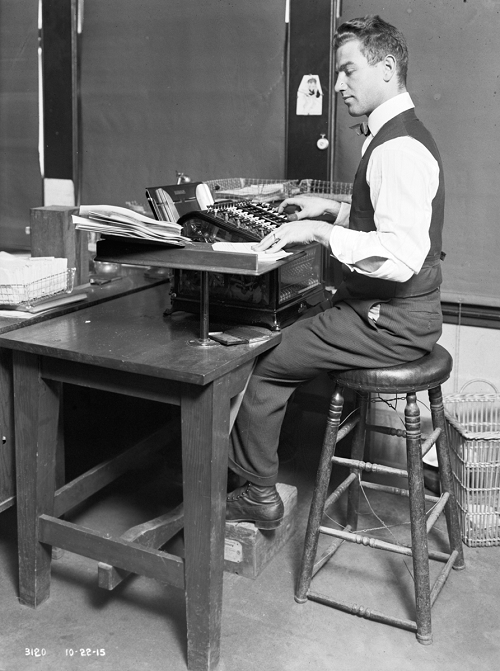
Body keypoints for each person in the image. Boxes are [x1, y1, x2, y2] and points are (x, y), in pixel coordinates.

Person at [226, 15, 445, 529]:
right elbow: (383, 220)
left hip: (392, 320)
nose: (339, 85)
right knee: (294, 325)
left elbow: (400, 255)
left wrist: (320, 235)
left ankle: (257, 492)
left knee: (265, 361)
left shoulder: (398, 149)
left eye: (348, 71)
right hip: (398, 313)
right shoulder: (396, 135)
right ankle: (260, 470)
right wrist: (326, 208)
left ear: (387, 68)